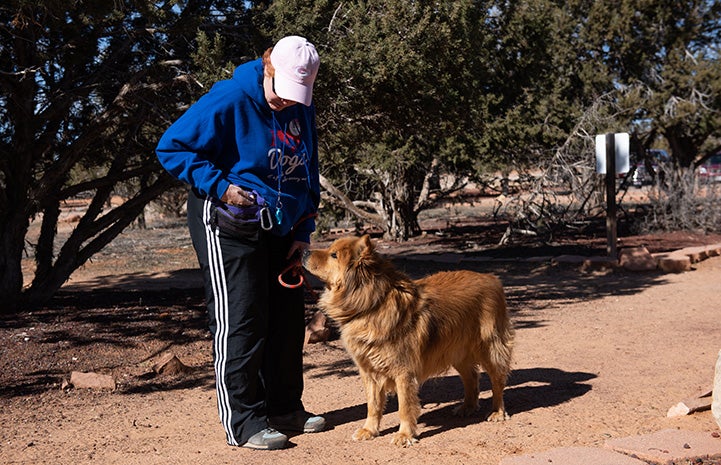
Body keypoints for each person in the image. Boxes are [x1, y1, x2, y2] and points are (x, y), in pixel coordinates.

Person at [156, 35, 324, 450]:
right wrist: (220, 186)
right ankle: (244, 421)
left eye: (297, 95)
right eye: (282, 92)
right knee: (243, 316)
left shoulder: (300, 105)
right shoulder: (230, 97)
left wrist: (303, 231)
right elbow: (172, 147)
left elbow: (307, 167)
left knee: (286, 321)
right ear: (268, 68)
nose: (288, 103)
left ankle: (285, 408)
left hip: (282, 226)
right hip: (230, 223)